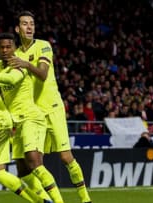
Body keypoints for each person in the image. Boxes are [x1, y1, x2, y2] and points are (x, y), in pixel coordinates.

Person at [9, 11, 91, 203]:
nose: (29, 27)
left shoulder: (43, 46)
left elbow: (43, 74)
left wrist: (25, 64)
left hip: (52, 108)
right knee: (35, 162)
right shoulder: (15, 54)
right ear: (17, 28)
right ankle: (51, 200)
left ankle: (85, 199)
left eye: (32, 24)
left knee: (65, 157)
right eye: (24, 24)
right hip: (32, 114)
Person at [0, 32, 56, 203]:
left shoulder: (19, 65)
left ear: (15, 48)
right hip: (6, 120)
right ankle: (42, 201)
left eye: (9, 46)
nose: (5, 50)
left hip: (8, 121)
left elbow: (8, 79)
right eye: (1, 47)